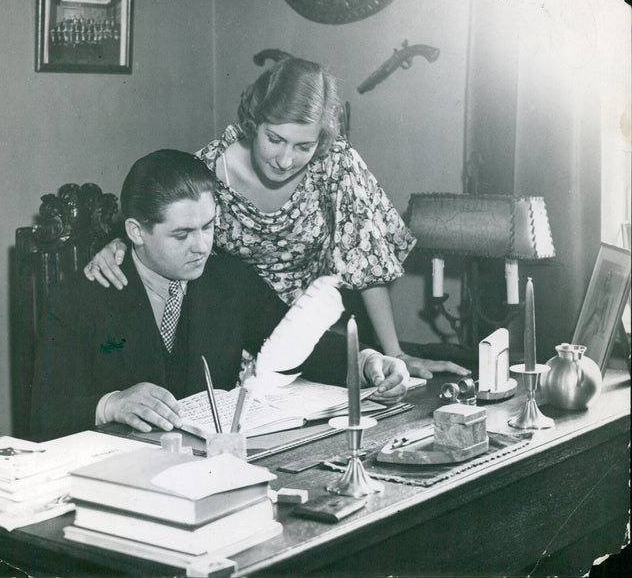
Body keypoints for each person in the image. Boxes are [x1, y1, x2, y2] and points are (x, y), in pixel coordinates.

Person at [84, 57, 469, 380]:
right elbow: (162, 224)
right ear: (254, 122)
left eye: (304, 145)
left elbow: (366, 265)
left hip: (312, 340)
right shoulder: (209, 168)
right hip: (226, 350)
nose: (286, 161)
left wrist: (394, 351)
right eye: (276, 140)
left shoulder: (336, 165)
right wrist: (117, 244)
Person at [31, 149, 409, 441]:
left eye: (208, 226)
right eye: (182, 234)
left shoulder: (229, 280)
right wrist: (110, 404)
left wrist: (364, 362)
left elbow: (298, 344)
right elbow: (45, 414)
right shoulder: (79, 299)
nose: (201, 247)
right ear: (135, 231)